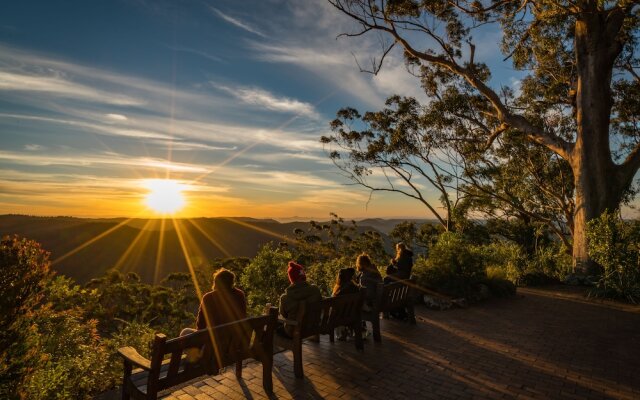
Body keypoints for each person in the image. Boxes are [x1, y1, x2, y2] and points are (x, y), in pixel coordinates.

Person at [180, 268, 247, 362]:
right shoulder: (240, 295)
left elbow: (201, 326)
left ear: (216, 283)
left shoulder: (208, 298)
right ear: (232, 282)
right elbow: (243, 318)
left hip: (214, 345)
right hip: (234, 344)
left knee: (185, 332)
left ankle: (201, 360)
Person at [278, 261, 322, 337]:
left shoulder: (285, 297)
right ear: (304, 276)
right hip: (313, 328)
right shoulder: (315, 290)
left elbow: (283, 315)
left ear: (291, 278)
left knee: (274, 328)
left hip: (294, 332)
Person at [332, 267, 360, 340]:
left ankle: (341, 333)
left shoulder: (339, 292)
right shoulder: (355, 288)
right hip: (353, 313)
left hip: (342, 315)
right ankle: (345, 331)